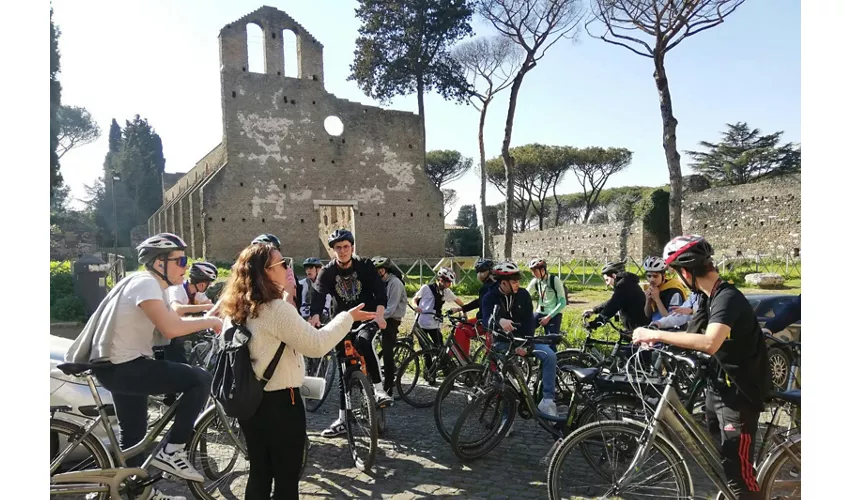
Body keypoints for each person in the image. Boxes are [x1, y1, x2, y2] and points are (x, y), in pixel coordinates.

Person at [64, 233, 223, 500]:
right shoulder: (147, 283)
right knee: (200, 379)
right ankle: (173, 450)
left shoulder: (144, 283)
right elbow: (171, 329)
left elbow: (172, 319)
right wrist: (212, 323)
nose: (185, 266)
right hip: (126, 367)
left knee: (134, 437)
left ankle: (141, 493)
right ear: (159, 262)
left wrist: (206, 316)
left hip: (117, 368)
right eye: (181, 260)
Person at [217, 242, 375, 500]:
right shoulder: (275, 310)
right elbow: (316, 344)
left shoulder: (235, 308)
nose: (288, 268)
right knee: (286, 479)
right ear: (267, 271)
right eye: (282, 263)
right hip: (280, 403)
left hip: (248, 401)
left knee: (259, 471)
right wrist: (347, 318)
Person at [632, 235, 770, 500]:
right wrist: (660, 342)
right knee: (724, 461)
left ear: (685, 271)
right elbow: (692, 335)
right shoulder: (706, 297)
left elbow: (709, 342)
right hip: (718, 389)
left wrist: (656, 336)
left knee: (740, 480)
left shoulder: (727, 298)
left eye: (675, 272)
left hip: (740, 396)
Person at [308, 229, 390, 437]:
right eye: (338, 248)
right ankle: (343, 419)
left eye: (346, 247)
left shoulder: (365, 266)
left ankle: (379, 390)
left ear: (352, 247)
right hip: (342, 322)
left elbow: (380, 293)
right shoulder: (327, 272)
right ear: (333, 250)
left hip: (367, 317)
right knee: (344, 370)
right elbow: (317, 295)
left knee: (364, 342)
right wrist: (315, 316)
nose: (343, 251)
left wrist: (379, 316)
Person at [481, 261, 558, 417]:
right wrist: (498, 321)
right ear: (503, 282)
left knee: (550, 356)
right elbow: (485, 319)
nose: (518, 284)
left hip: (525, 339)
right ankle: (506, 418)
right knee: (507, 377)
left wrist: (526, 344)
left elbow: (529, 322)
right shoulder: (489, 297)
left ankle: (547, 401)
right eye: (514, 281)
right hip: (503, 342)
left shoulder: (523, 295)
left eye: (518, 281)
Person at [162, 262, 217, 365]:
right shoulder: (178, 288)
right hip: (168, 336)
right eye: (208, 283)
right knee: (180, 361)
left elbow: (211, 306)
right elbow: (177, 308)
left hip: (179, 329)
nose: (209, 286)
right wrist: (206, 307)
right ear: (201, 284)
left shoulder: (197, 293)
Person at [371, 256, 407, 395]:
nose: (378, 273)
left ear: (385, 270)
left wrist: (375, 317)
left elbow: (391, 308)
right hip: (381, 317)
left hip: (392, 319)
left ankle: (388, 386)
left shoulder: (395, 283)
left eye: (379, 270)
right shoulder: (381, 283)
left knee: (387, 351)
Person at [450, 258, 499, 357]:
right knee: (461, 326)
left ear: (490, 272)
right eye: (478, 272)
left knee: (461, 328)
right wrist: (461, 308)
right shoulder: (494, 284)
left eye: (482, 271)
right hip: (491, 320)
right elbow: (479, 301)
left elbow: (480, 302)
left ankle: (463, 358)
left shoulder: (487, 287)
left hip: (485, 322)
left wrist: (462, 309)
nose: (480, 274)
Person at [583, 260, 649, 331]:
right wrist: (594, 310)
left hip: (640, 330)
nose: (607, 284)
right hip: (637, 327)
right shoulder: (627, 283)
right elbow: (612, 301)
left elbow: (611, 308)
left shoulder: (624, 287)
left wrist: (595, 323)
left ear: (614, 276)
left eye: (607, 280)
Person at [413, 268, 465, 355]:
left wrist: (464, 311)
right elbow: (415, 299)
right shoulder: (426, 288)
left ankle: (442, 367)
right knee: (425, 350)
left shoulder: (446, 292)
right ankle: (429, 368)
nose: (449, 285)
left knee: (439, 349)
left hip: (434, 324)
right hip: (422, 322)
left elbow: (458, 301)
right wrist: (416, 307)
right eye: (448, 282)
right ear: (441, 280)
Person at [526, 258, 568, 335]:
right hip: (539, 312)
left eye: (535, 271)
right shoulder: (536, 281)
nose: (533, 274)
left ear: (542, 270)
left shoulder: (554, 281)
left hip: (553, 314)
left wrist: (548, 317)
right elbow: (525, 294)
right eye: (532, 271)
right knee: (525, 331)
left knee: (551, 342)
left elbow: (562, 302)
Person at [642, 255, 688, 323]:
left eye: (655, 276)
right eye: (649, 276)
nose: (651, 279)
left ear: (664, 276)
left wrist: (657, 300)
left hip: (673, 329)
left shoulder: (674, 291)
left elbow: (672, 319)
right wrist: (648, 301)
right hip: (656, 325)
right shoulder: (655, 288)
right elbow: (648, 315)